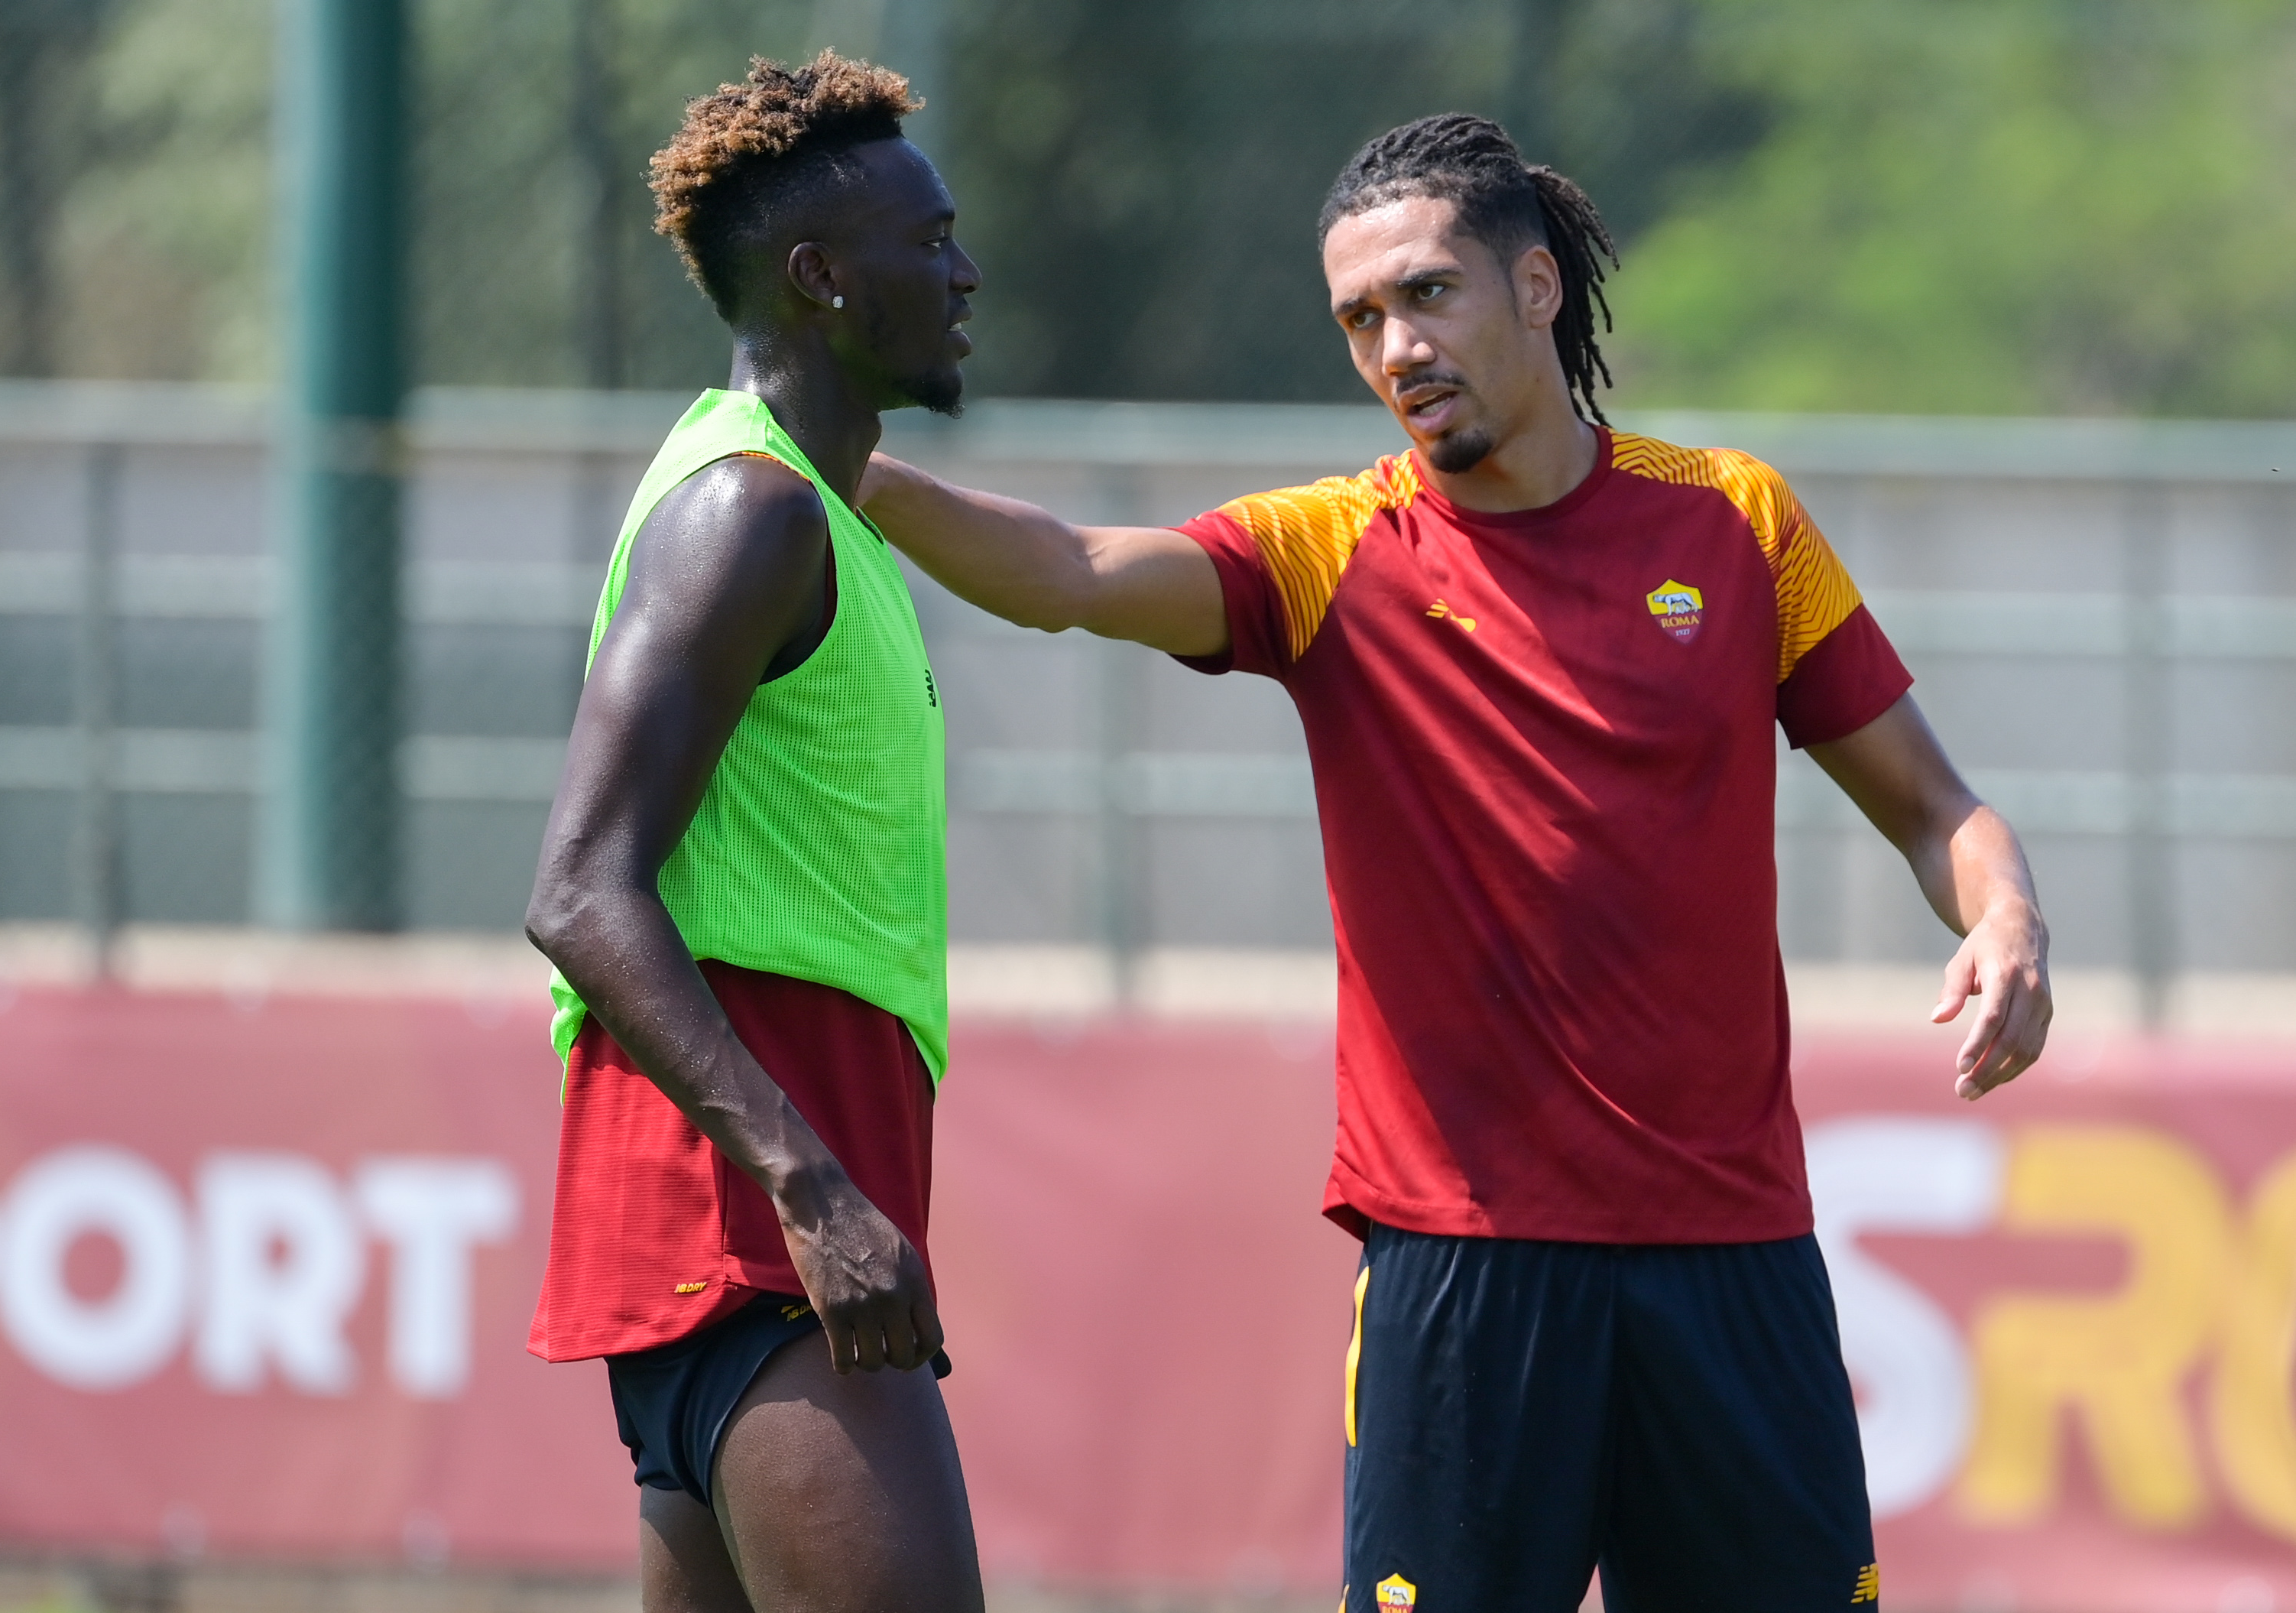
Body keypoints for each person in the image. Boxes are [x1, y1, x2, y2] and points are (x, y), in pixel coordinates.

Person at [859, 113, 2051, 1611]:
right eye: (1360, 317)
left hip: (1733, 1255)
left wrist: (2005, 912)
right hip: (1464, 1266)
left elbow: (1937, 801)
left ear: (1537, 286)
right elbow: (1071, 574)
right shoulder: (1323, 550)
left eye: (1428, 294)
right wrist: (841, 459)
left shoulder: (1739, 520)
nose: (1396, 344)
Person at [522, 53, 984, 1613]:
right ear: (820, 281)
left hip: (750, 1241)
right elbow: (583, 890)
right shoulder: (749, 512)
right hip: (747, 1236)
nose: (964, 272)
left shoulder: (817, 513)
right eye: (928, 245)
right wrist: (815, 1190)